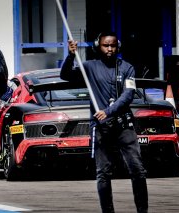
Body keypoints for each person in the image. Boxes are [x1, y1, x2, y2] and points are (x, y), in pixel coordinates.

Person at [60, 32, 148, 213]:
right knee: (103, 173)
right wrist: (70, 55)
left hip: (124, 125)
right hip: (101, 128)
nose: (110, 49)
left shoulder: (127, 68)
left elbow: (128, 95)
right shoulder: (89, 67)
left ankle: (142, 211)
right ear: (97, 47)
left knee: (138, 170)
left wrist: (108, 111)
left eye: (113, 45)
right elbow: (66, 75)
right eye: (105, 46)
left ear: (118, 47)